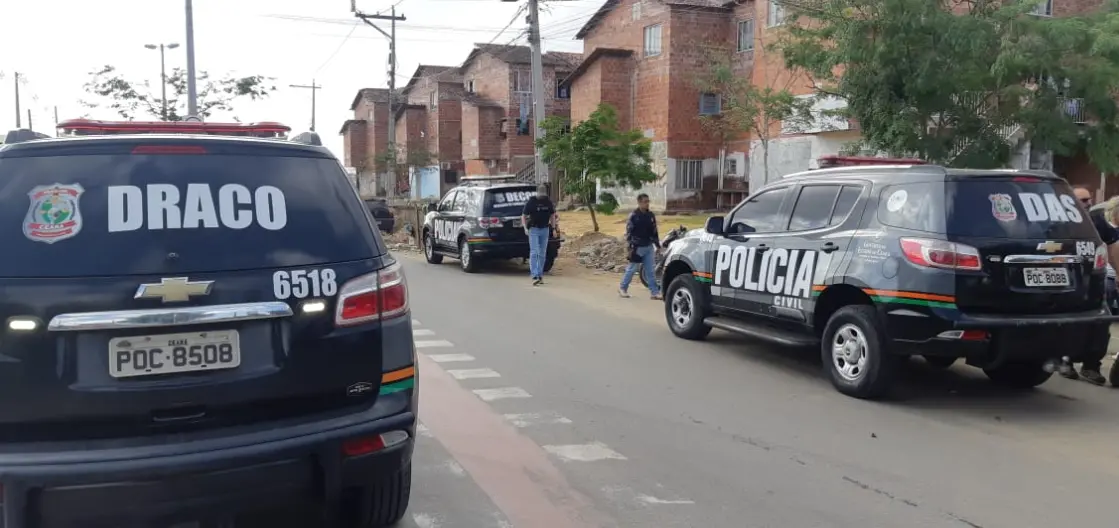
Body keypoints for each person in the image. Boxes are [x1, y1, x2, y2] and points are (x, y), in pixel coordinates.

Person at [1062, 186, 1119, 385]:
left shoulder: (1097, 221)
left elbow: (1112, 246)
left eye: (1089, 199)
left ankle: (1091, 366)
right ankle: (1066, 362)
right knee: (1071, 323)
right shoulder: (1059, 221)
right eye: (1083, 200)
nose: (1088, 203)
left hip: (1094, 282)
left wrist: (1118, 273)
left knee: (1100, 322)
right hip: (1067, 283)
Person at [619, 193, 663, 300]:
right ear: (639, 202)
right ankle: (623, 288)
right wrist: (630, 247)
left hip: (648, 246)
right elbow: (629, 232)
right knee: (632, 269)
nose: (647, 204)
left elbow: (654, 231)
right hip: (637, 247)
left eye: (648, 201)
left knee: (650, 271)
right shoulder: (634, 216)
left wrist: (657, 245)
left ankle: (654, 292)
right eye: (645, 202)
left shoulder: (650, 215)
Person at [522, 184, 556, 286]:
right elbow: (523, 216)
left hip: (545, 229)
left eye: (543, 195)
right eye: (540, 195)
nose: (542, 197)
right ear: (537, 193)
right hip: (534, 229)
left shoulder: (548, 202)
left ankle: (540, 275)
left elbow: (552, 215)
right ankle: (535, 275)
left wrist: (554, 228)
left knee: (542, 253)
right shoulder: (532, 202)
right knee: (535, 252)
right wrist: (525, 228)